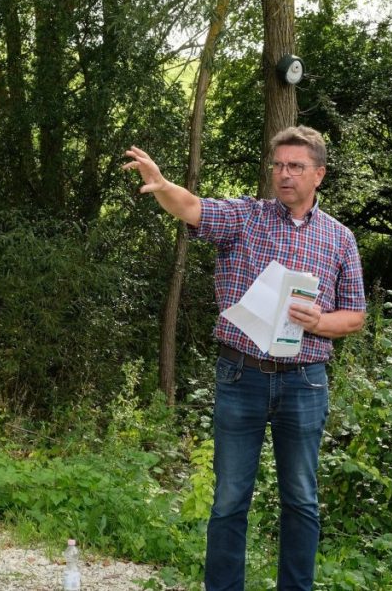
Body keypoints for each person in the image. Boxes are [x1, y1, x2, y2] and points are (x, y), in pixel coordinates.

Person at [122, 126, 366, 591]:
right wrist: (163, 185)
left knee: (301, 499)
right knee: (231, 498)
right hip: (241, 375)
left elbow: (354, 316)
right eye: (278, 165)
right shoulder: (246, 217)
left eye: (295, 166)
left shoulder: (340, 239)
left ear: (319, 174)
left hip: (305, 382)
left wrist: (318, 321)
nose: (284, 174)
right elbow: (194, 208)